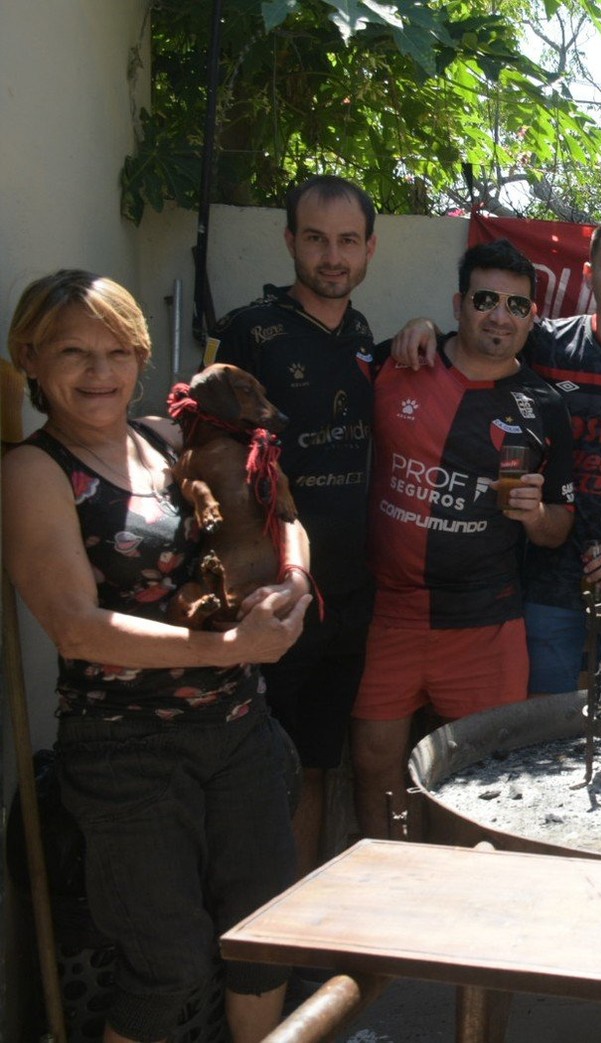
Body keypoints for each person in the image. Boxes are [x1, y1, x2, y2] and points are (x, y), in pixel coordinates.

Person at [3, 270, 311, 1043]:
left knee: (264, 937)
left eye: (116, 351)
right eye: (72, 351)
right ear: (30, 358)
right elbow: (77, 628)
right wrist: (232, 645)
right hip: (126, 754)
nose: (98, 371)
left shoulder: (167, 437)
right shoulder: (33, 472)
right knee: (167, 964)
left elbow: (277, 505)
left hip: (240, 732)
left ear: (141, 356)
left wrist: (296, 579)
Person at [393, 213, 601, 693]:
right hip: (545, 578)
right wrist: (425, 327)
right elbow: (479, 343)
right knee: (546, 721)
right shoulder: (546, 344)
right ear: (589, 273)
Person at [350, 240, 575, 839]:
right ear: (458, 304)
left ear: (532, 317)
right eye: (485, 300)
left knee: (482, 787)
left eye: (516, 306)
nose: (500, 316)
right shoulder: (400, 360)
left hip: (485, 624)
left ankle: (458, 886)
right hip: (388, 616)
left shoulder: (545, 406)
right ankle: (389, 878)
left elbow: (561, 528)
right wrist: (416, 327)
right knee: (374, 767)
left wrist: (536, 516)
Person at [208, 173, 376, 874]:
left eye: (347, 241)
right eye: (316, 239)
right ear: (289, 241)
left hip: (348, 593)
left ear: (368, 249)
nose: (332, 257)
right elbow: (207, 449)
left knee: (313, 764)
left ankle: (296, 915)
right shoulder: (250, 331)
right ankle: (251, 922)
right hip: (273, 591)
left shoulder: (362, 335)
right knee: (255, 771)